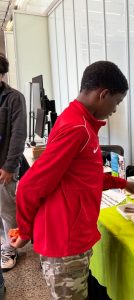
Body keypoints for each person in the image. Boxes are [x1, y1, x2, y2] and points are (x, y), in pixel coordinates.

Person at [11, 61, 134, 299]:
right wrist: (24, 231)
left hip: (71, 236)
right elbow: (30, 186)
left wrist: (125, 183)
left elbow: (85, 177)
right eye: (117, 102)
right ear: (103, 94)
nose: (115, 110)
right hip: (65, 242)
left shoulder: (79, 122)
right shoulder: (77, 128)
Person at [0, 53, 27, 273]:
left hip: (3, 166)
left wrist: (10, 166)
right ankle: (4, 243)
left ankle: (11, 248)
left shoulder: (13, 98)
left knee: (8, 211)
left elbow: (18, 135)